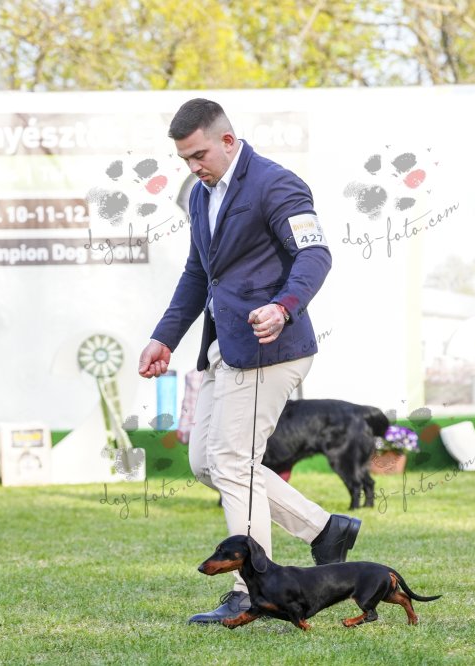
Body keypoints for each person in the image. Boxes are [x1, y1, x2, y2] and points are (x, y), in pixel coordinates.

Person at [138, 98, 361, 624]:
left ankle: (248, 593)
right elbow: (199, 274)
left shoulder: (276, 184)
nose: (192, 166)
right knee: (206, 464)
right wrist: (164, 337)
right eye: (184, 159)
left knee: (233, 464)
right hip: (225, 348)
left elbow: (315, 254)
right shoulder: (200, 195)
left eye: (198, 155)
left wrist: (283, 307)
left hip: (270, 347)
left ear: (228, 141)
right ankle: (325, 528)